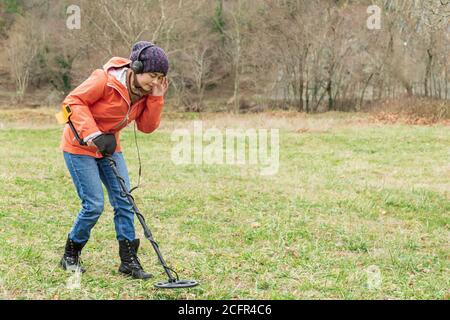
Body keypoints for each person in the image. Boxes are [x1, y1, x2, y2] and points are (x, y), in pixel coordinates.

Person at [59, 41, 169, 280]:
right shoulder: (104, 80)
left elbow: (147, 127)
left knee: (124, 200)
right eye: (152, 75)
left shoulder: (146, 94)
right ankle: (70, 255)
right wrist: (93, 134)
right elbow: (72, 101)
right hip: (80, 147)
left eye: (161, 77)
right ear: (137, 68)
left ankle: (128, 261)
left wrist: (156, 99)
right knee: (94, 205)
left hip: (110, 149)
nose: (156, 81)